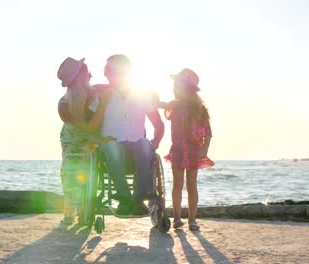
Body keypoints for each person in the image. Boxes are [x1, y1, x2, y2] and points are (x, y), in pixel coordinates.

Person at [91, 54, 165, 215]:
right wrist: (100, 140)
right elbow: (92, 125)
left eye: (113, 70)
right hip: (110, 148)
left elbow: (158, 124)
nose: (108, 72)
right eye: (108, 69)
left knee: (145, 144)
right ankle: (124, 200)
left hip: (137, 148)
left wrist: (156, 142)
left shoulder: (142, 96)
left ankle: (139, 199)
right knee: (111, 147)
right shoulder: (99, 96)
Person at [56, 57, 113, 225]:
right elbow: (86, 129)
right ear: (80, 78)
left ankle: (84, 210)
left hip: (92, 140)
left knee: (88, 173)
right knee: (70, 173)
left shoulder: (96, 91)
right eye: (87, 73)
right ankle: (70, 212)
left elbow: (118, 88)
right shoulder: (64, 104)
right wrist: (103, 105)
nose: (91, 76)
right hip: (73, 140)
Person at [160, 68, 213, 230]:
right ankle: (176, 218)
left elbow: (208, 132)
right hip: (177, 149)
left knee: (191, 184)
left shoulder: (200, 109)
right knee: (177, 184)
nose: (174, 89)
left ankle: (192, 219)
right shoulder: (175, 106)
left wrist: (204, 149)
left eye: (177, 85)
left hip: (193, 151)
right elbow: (163, 106)